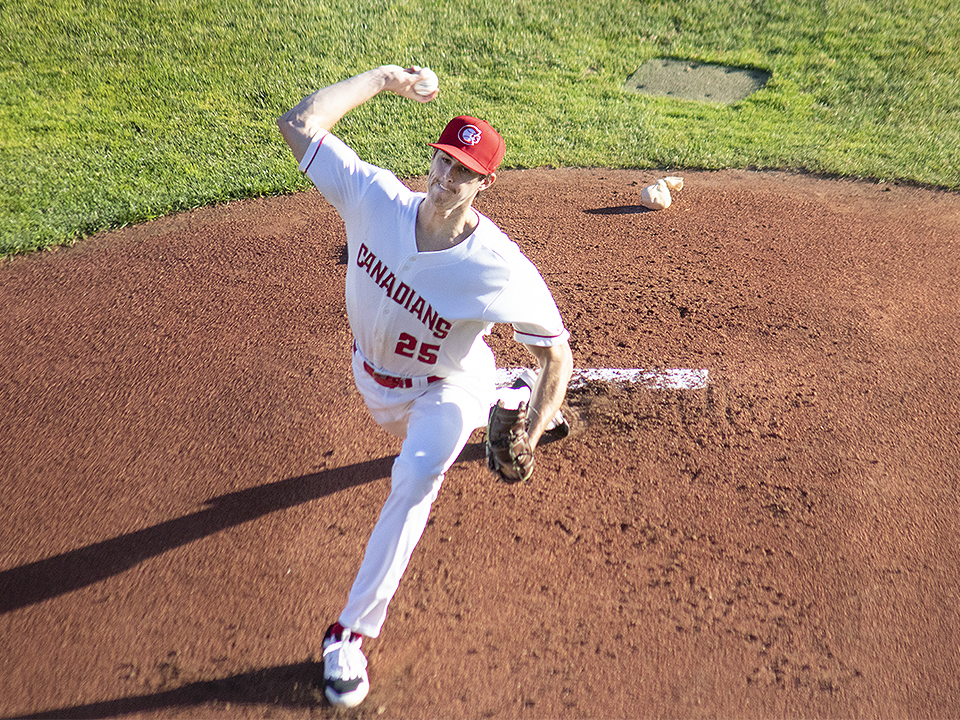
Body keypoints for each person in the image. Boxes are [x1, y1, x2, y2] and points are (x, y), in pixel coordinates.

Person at [276, 64, 573, 708]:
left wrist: (533, 436)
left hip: (444, 387)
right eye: (443, 162)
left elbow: (558, 352)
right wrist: (384, 80)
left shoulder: (498, 268)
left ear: (484, 184)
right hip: (371, 378)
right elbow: (298, 124)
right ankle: (507, 395)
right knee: (451, 410)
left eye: (464, 172)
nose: (446, 178)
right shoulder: (374, 199)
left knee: (415, 476)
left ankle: (349, 634)